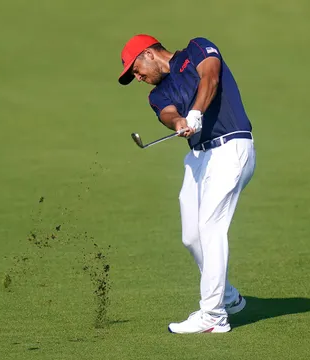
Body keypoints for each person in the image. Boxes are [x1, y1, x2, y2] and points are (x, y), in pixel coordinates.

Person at [117, 34, 257, 334]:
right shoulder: (156, 95)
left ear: (149, 53)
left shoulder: (196, 48)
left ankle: (214, 315)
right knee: (192, 236)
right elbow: (167, 113)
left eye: (136, 69)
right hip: (199, 159)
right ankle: (229, 297)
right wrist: (179, 121)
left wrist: (195, 112)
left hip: (231, 147)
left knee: (210, 227)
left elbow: (211, 76)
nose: (138, 77)